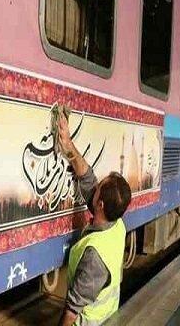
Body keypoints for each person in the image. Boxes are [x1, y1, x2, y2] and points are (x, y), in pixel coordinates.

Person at [56, 108, 132, 326]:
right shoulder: (117, 224)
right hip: (108, 315)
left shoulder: (94, 256)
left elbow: (72, 311)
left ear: (100, 205)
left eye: (98, 188)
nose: (95, 186)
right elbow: (87, 178)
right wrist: (68, 144)